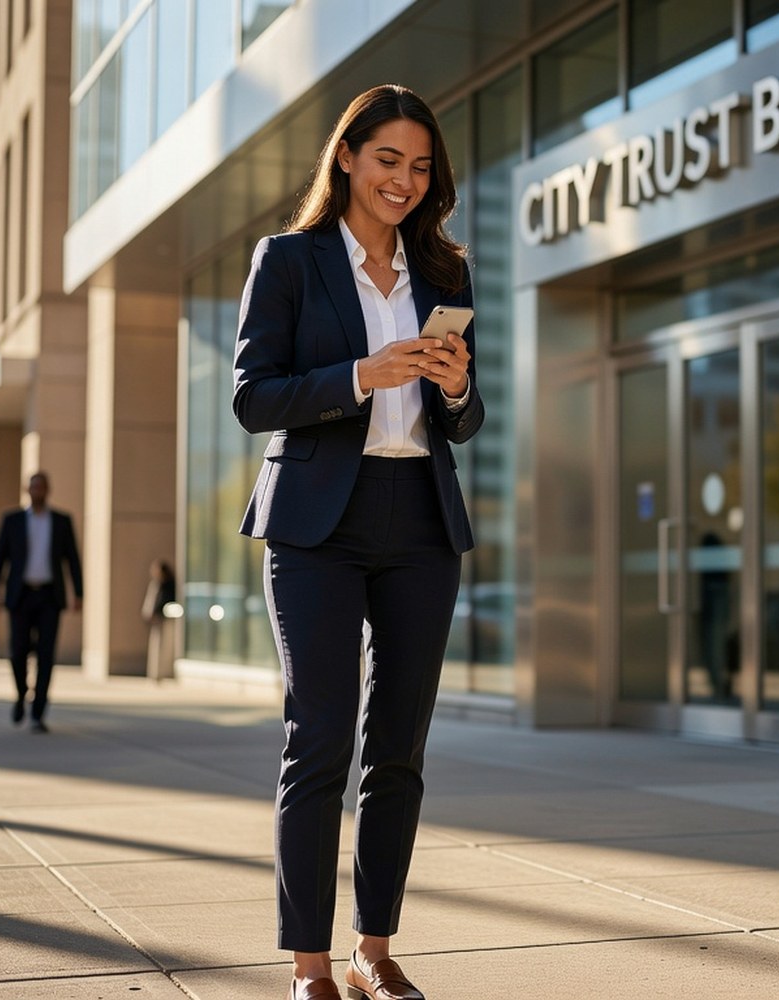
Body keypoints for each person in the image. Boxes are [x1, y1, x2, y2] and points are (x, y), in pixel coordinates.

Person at [233, 84, 483, 1000]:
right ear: (346, 156)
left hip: (420, 517)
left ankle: (374, 951)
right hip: (315, 526)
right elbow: (255, 397)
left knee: (400, 748)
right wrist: (359, 376)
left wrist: (452, 386)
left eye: (420, 168)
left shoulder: (445, 272)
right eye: (389, 160)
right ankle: (309, 967)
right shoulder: (289, 260)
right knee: (321, 740)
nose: (405, 182)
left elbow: (464, 419)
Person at [0, 472, 83, 733]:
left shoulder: (61, 521)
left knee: (46, 655)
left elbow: (72, 559)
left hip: (50, 596)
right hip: (21, 595)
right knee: (17, 651)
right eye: (33, 487)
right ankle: (21, 695)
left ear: (48, 490)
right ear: (27, 490)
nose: (37, 491)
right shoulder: (13, 521)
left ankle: (38, 712)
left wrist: (79, 593)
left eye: (41, 487)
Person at [141, 559, 177, 682]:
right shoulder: (156, 584)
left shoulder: (168, 585)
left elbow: (164, 601)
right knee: (156, 647)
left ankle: (163, 673)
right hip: (157, 620)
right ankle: (155, 673)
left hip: (164, 619)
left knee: (164, 647)